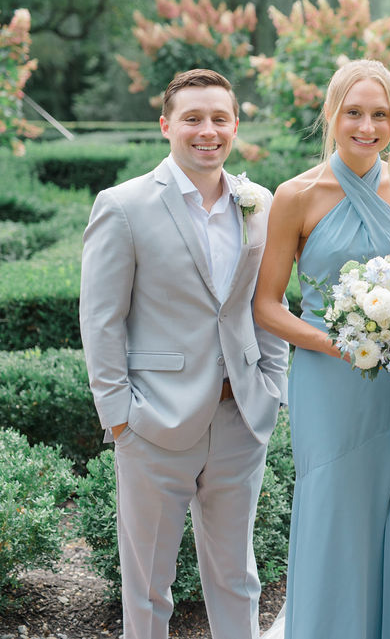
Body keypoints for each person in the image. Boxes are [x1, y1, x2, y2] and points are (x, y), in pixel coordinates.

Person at [79, 69, 289, 639]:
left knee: (238, 578)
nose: (207, 131)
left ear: (235, 125)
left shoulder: (259, 204)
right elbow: (100, 319)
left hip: (240, 416)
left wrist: (272, 388)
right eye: (193, 118)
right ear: (166, 125)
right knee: (148, 587)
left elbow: (265, 302)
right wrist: (119, 418)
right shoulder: (123, 206)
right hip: (154, 422)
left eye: (219, 118)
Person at [253, 60, 390, 638]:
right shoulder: (296, 195)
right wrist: (337, 345)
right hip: (328, 379)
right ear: (331, 114)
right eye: (354, 112)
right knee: (333, 501)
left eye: (380, 114)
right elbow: (267, 305)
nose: (366, 127)